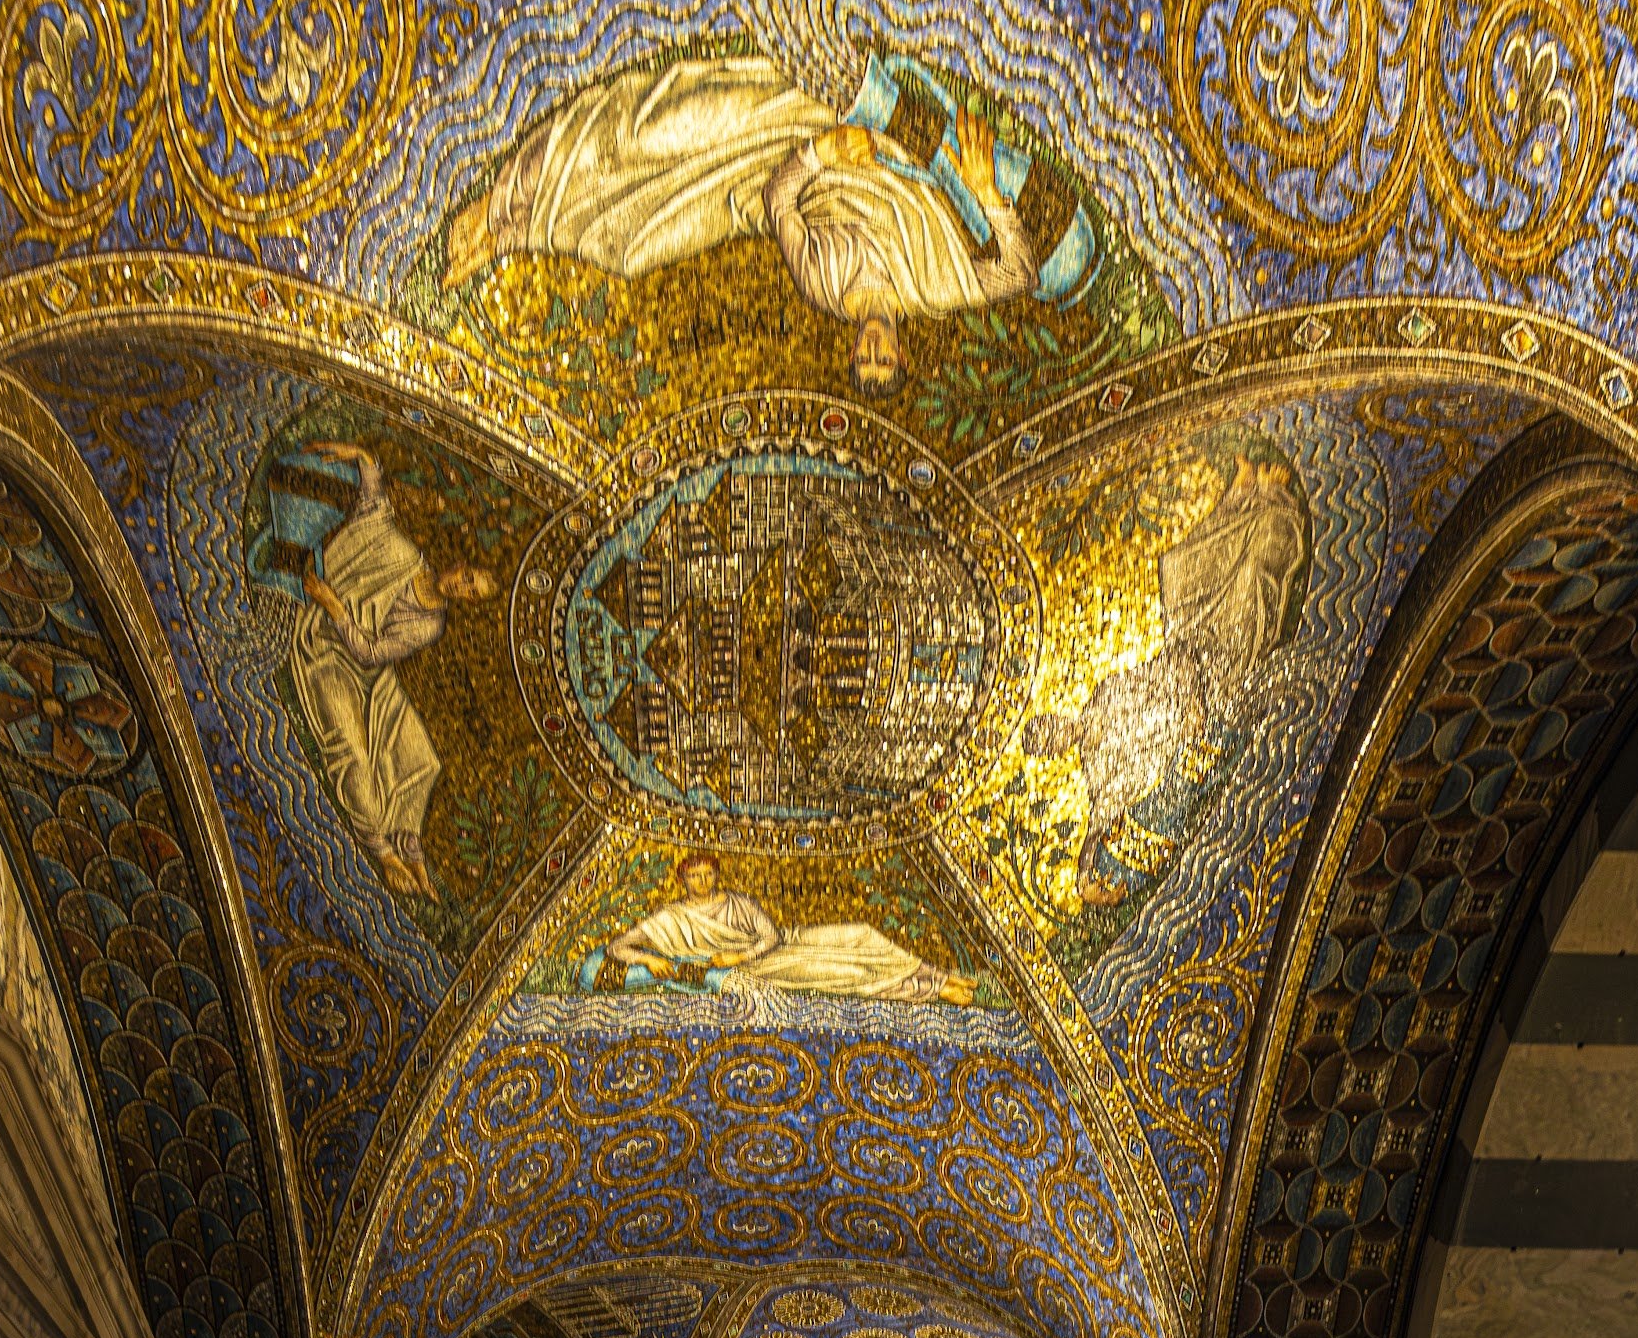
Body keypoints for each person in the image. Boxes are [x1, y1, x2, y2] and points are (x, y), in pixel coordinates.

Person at [443, 50, 1096, 396]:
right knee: (665, 129)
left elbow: (777, 203)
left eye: (861, 361)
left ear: (854, 352)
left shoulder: (824, 288)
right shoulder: (935, 291)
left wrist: (820, 157)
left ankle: (512, 226)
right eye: (883, 359)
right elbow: (1018, 272)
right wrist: (987, 195)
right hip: (860, 140)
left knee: (638, 245)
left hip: (786, 164)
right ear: (900, 353)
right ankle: (515, 196)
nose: (871, 349)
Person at [1030, 446, 1311, 902]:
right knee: (1245, 584)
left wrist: (1185, 688)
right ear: (1057, 750)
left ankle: (1242, 494)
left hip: (1188, 654)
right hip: (1217, 673)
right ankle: (1271, 505)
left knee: (1178, 568)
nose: (1059, 733)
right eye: (1052, 741)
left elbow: (1163, 669)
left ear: (1056, 718)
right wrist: (1084, 878)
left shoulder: (1103, 694)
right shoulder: (1101, 770)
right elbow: (1102, 819)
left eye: (1050, 726)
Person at [288, 447, 494, 898]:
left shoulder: (430, 625)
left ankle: (412, 851)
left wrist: (334, 604)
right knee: (354, 753)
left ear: (467, 603)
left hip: (365, 668)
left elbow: (370, 653)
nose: (461, 584)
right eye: (468, 575)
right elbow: (373, 507)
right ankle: (383, 852)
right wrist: (362, 456)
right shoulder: (404, 554)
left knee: (421, 757)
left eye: (470, 593)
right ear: (459, 564)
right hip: (325, 653)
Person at [578, 854, 974, 1012]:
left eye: (708, 873)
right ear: (682, 879)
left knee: (861, 934)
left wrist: (739, 955)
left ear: (717, 874)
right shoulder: (670, 916)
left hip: (772, 946)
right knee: (843, 972)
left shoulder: (739, 901)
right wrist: (648, 957)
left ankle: (937, 971)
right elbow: (617, 946)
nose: (702, 880)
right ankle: (934, 990)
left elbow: (769, 937)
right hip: (760, 969)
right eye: (694, 875)